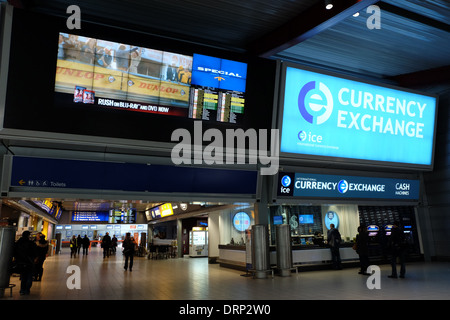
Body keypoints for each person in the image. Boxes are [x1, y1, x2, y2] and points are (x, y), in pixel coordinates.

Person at [13, 231, 37, 295]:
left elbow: (14, 252)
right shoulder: (31, 243)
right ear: (28, 235)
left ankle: (22, 290)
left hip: (20, 262)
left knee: (23, 276)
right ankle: (27, 290)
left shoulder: (18, 243)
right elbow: (34, 252)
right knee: (29, 276)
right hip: (29, 262)